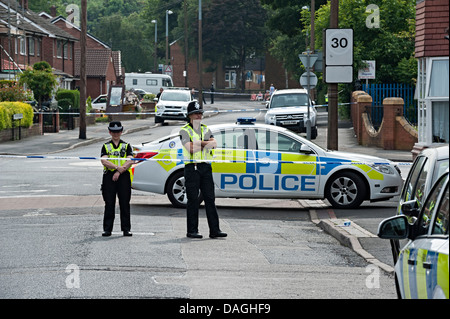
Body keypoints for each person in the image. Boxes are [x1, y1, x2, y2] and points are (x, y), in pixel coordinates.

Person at [179, 101, 227, 239]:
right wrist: (206, 144)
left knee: (210, 199)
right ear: (189, 115)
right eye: (196, 113)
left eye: (200, 113)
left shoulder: (206, 129)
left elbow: (214, 144)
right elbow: (191, 149)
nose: (199, 116)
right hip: (192, 166)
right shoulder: (184, 130)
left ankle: (215, 230)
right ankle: (192, 230)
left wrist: (199, 143)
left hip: (205, 166)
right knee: (193, 200)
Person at [101, 121, 134, 237]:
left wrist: (119, 171)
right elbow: (104, 161)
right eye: (113, 131)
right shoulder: (106, 146)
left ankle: (126, 229)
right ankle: (107, 229)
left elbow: (130, 160)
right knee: (109, 203)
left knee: (124, 203)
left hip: (123, 176)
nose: (116, 133)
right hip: (109, 176)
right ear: (109, 132)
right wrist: (116, 168)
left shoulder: (126, 145)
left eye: (118, 131)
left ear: (122, 131)